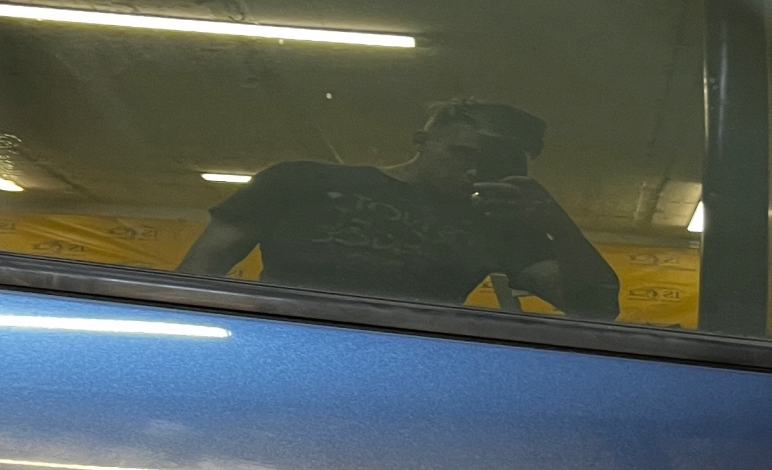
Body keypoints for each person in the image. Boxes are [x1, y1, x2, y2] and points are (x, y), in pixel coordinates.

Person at [178, 99, 621, 317]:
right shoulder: (302, 180)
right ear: (422, 140)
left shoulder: (497, 223)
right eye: (462, 153)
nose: (470, 170)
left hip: (407, 371)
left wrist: (556, 222)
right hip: (282, 347)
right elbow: (200, 272)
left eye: (490, 163)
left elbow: (596, 307)